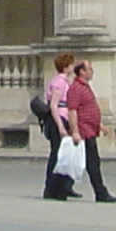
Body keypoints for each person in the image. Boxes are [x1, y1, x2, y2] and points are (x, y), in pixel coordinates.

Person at [64, 60, 116, 203]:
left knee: (81, 162)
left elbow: (89, 108)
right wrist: (75, 131)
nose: (92, 71)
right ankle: (100, 192)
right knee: (92, 163)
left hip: (90, 129)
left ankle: (61, 187)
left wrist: (99, 125)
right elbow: (72, 111)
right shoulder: (76, 88)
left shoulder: (85, 87)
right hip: (83, 131)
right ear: (81, 71)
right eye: (89, 69)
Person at [39, 52, 78, 200]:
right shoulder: (60, 82)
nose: (73, 67)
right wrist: (61, 126)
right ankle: (51, 188)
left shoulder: (63, 81)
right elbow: (54, 106)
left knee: (62, 155)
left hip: (63, 118)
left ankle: (61, 187)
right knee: (57, 155)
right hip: (59, 120)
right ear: (66, 66)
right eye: (71, 64)